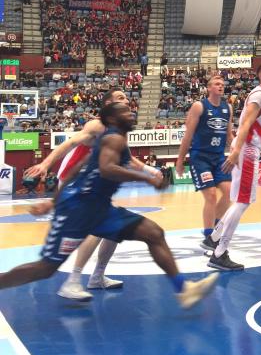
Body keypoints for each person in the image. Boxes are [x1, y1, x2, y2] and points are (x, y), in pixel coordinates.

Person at [1, 103, 218, 309]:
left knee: (153, 233)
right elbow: (107, 169)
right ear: (112, 119)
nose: (131, 112)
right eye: (125, 111)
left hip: (100, 208)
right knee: (45, 268)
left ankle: (184, 290)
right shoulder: (114, 138)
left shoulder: (108, 140)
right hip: (78, 210)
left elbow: (77, 169)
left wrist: (52, 201)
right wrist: (147, 179)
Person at [24, 89, 159, 301]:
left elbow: (130, 159)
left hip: (94, 184)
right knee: (97, 228)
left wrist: (151, 171)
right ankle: (73, 281)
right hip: (74, 182)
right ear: (108, 107)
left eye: (126, 97)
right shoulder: (96, 125)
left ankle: (97, 276)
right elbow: (69, 144)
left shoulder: (119, 130)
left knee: (115, 230)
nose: (126, 100)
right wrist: (45, 163)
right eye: (120, 98)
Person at [208, 61, 261, 270]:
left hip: (246, 148)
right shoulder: (259, 95)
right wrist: (235, 152)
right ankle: (220, 253)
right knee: (243, 202)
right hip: (247, 149)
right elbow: (245, 124)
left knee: (239, 201)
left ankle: (214, 238)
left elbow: (259, 125)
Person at [175, 75, 234, 253]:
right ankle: (209, 236)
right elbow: (188, 136)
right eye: (217, 84)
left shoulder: (228, 108)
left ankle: (215, 232)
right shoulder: (199, 106)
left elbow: (229, 136)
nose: (221, 86)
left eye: (223, 84)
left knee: (229, 192)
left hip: (219, 157)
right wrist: (180, 160)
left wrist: (236, 152)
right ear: (208, 88)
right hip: (200, 157)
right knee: (210, 195)